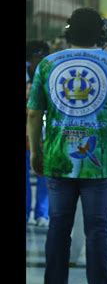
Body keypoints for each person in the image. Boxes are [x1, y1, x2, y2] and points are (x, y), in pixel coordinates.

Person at [27, 7, 107, 284]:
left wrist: (36, 152)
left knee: (58, 229)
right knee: (98, 230)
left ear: (68, 33)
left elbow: (34, 113)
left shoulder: (48, 64)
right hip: (100, 162)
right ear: (102, 33)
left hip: (58, 159)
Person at [26, 40, 50, 227]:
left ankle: (42, 213)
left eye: (42, 56)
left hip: (46, 131)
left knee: (44, 173)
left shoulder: (51, 72)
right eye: (36, 57)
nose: (39, 60)